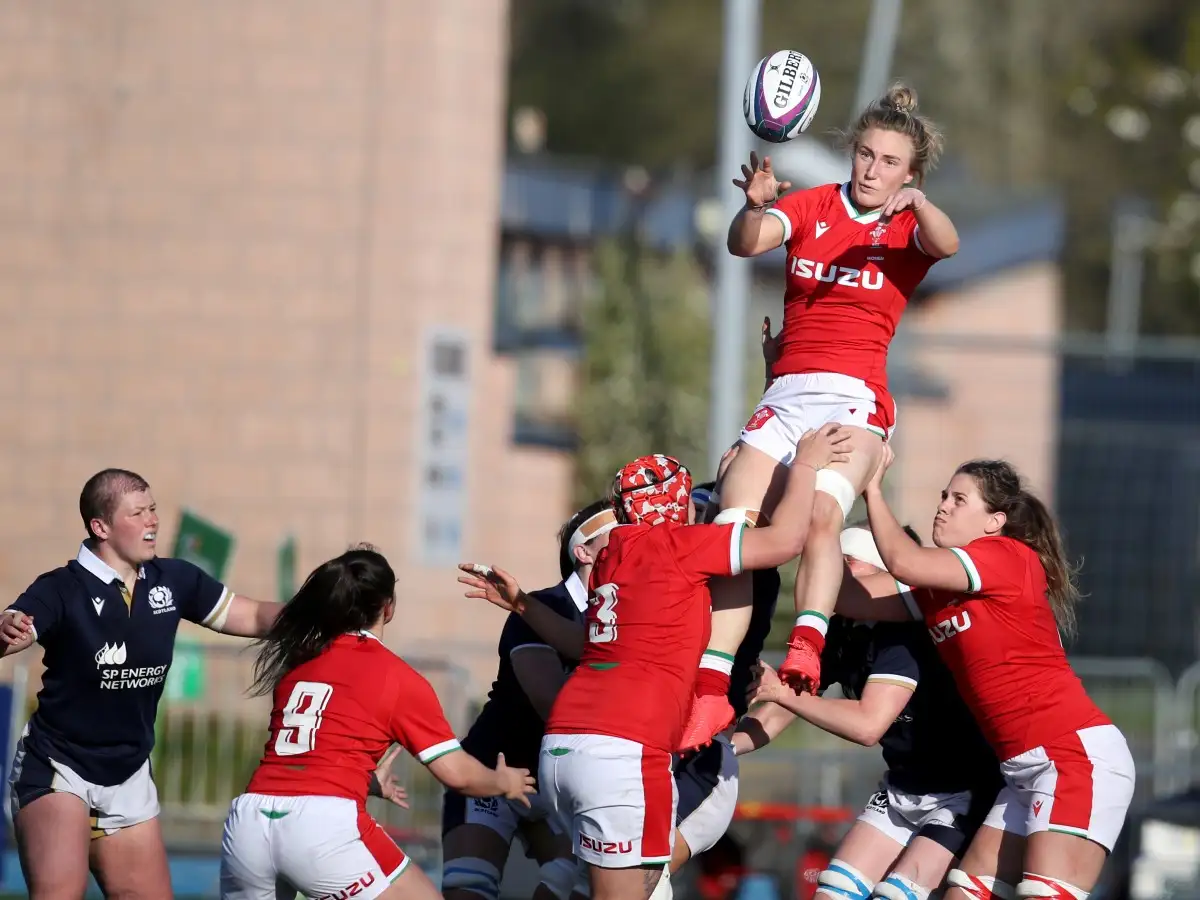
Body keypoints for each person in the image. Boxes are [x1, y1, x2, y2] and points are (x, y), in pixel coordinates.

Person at [684, 82, 962, 747]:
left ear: (910, 173)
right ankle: (707, 688)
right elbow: (746, 244)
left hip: (852, 398)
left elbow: (948, 244)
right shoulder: (813, 205)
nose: (872, 170)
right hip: (784, 394)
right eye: (865, 155)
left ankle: (806, 645)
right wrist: (752, 207)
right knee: (732, 532)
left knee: (820, 517)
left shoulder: (907, 228)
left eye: (889, 162)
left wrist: (919, 204)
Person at [459, 426, 849, 900]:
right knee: (638, 889)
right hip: (623, 751)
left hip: (563, 745)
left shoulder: (613, 557)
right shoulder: (680, 545)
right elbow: (786, 540)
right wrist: (805, 463)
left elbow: (587, 645)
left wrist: (524, 605)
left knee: (579, 884)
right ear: (682, 508)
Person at [845, 453, 1136, 900]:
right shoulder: (937, 590)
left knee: (1042, 894)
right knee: (964, 892)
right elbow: (846, 599)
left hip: (1072, 758)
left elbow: (902, 561)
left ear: (994, 521)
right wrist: (819, 513)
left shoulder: (1005, 557)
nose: (943, 505)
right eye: (944, 496)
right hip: (1021, 772)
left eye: (960, 499)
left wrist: (872, 488)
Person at [0, 468, 281, 900]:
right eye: (137, 513)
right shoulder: (61, 588)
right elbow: (15, 628)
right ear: (101, 527)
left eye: (153, 509)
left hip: (128, 771)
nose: (152, 521)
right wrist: (7, 628)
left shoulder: (174, 580)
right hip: (59, 765)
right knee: (61, 892)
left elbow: (254, 616)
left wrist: (325, 617)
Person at [220, 545, 536, 900]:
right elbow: (458, 774)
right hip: (323, 826)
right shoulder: (396, 676)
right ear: (389, 607)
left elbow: (306, 760)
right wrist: (502, 781)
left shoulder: (300, 663)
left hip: (248, 823)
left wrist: (365, 781)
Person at [735, 524, 1002, 900]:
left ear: (885, 575)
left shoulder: (906, 634)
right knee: (832, 891)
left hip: (964, 790)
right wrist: (724, 747)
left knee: (897, 894)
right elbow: (779, 708)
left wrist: (780, 692)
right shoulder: (842, 632)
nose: (834, 577)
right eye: (833, 564)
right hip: (902, 787)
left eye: (848, 564)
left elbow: (868, 725)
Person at [442, 500, 618, 900]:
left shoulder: (619, 616)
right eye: (620, 533)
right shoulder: (545, 607)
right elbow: (551, 704)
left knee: (575, 883)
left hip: (555, 784)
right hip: (495, 768)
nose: (634, 539)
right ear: (583, 552)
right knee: (469, 890)